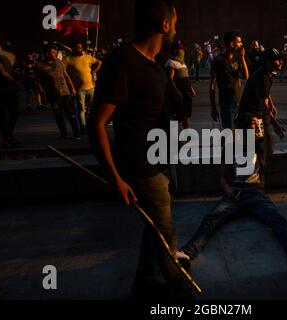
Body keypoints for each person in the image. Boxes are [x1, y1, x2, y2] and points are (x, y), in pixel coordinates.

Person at [89, 0, 194, 300]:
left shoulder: (157, 64)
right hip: (140, 166)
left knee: (155, 228)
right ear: (164, 25)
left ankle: (145, 282)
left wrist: (180, 94)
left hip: (159, 159)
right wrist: (114, 178)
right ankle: (181, 291)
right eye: (175, 24)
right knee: (165, 232)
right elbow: (97, 123)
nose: (176, 29)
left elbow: (162, 107)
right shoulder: (122, 61)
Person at [177, 112, 287, 271]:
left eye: (259, 125)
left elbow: (269, 146)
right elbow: (222, 177)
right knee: (211, 219)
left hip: (255, 193)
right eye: (253, 125)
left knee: (277, 219)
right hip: (235, 193)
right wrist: (228, 190)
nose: (257, 128)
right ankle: (186, 253)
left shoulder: (260, 146)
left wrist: (267, 123)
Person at [37, 45, 80, 140]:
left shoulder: (60, 62)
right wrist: (42, 95)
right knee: (58, 115)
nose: (55, 54)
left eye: (55, 52)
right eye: (52, 52)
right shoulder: (41, 66)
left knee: (71, 114)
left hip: (65, 93)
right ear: (46, 54)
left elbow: (66, 76)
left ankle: (76, 134)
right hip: (53, 95)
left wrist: (72, 88)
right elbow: (38, 82)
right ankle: (64, 134)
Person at [210, 31, 249, 129]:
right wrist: (213, 108)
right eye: (239, 42)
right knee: (228, 132)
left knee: (238, 132)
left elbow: (246, 76)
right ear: (232, 44)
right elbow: (212, 86)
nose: (241, 44)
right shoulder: (218, 61)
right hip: (225, 103)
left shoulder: (237, 57)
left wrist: (242, 59)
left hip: (238, 101)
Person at [64, 42, 102, 134]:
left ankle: (90, 124)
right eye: (77, 47)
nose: (80, 49)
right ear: (73, 48)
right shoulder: (68, 59)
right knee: (81, 109)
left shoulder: (87, 57)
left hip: (90, 87)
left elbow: (99, 62)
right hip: (79, 89)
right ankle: (83, 126)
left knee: (91, 108)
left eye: (81, 48)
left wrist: (93, 71)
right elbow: (63, 71)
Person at [165, 41, 196, 129]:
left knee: (185, 116)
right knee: (177, 117)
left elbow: (186, 78)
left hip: (186, 94)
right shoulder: (170, 62)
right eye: (181, 50)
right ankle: (175, 139)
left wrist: (191, 89)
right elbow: (170, 79)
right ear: (175, 51)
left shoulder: (183, 63)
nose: (183, 52)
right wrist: (176, 92)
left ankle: (187, 134)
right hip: (178, 95)